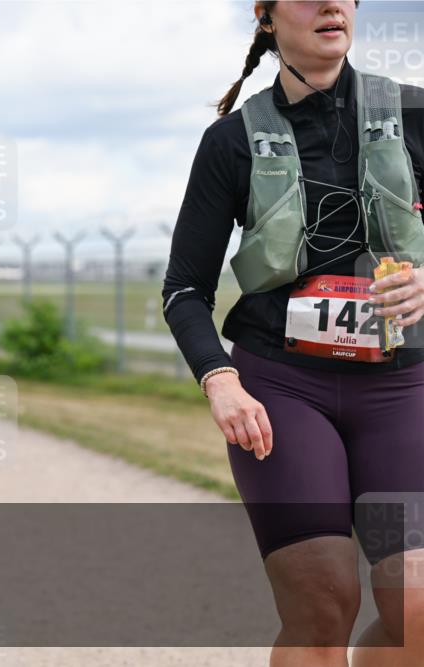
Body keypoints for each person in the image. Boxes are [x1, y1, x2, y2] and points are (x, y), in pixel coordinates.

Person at [163, 2, 423, 665]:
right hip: (280, 391)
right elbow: (185, 289)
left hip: (401, 389)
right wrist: (219, 379)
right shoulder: (230, 140)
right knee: (322, 598)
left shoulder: (416, 115)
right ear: (268, 16)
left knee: (417, 610)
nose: (332, 4)